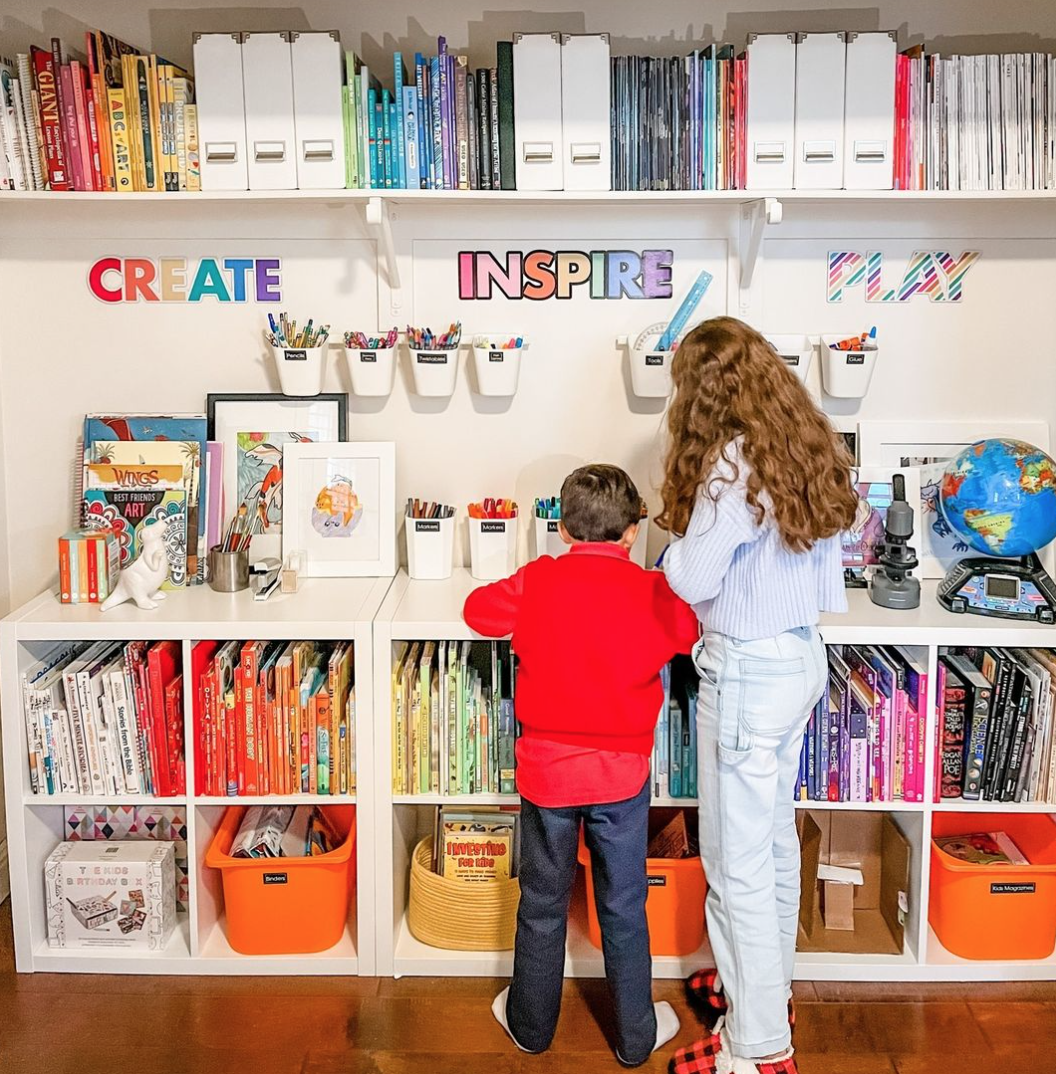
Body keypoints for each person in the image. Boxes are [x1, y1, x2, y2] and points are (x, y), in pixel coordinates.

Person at [658, 317, 857, 1074]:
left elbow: (690, 577)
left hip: (747, 671)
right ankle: (765, 995)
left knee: (732, 863)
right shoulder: (801, 439)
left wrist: (675, 541)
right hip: (800, 658)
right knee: (770, 845)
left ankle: (757, 1048)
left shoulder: (731, 465)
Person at [463, 463, 700, 1067]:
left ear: (563, 530)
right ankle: (635, 1037)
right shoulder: (653, 590)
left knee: (541, 902)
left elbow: (478, 611)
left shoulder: (539, 580)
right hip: (621, 778)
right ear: (630, 533)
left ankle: (531, 1027)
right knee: (623, 905)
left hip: (547, 777)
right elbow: (690, 629)